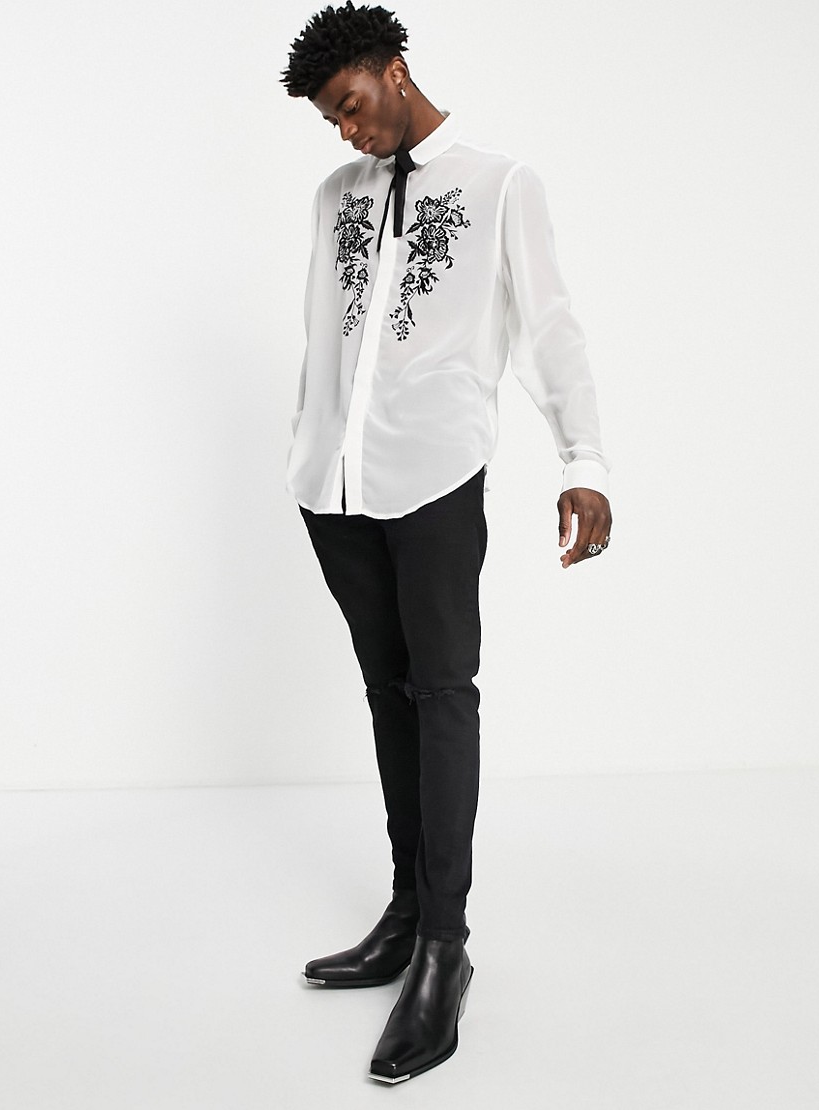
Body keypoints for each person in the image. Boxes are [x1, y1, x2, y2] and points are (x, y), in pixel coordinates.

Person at [280, 1, 612, 1084]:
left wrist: (583, 462)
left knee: (441, 697)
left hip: (431, 481)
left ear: (393, 69)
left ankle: (443, 947)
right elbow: (322, 336)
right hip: (333, 492)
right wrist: (306, 452)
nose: (347, 130)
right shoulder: (336, 196)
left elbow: (550, 325)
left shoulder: (499, 183)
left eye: (351, 105)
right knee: (388, 696)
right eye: (331, 120)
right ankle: (402, 913)